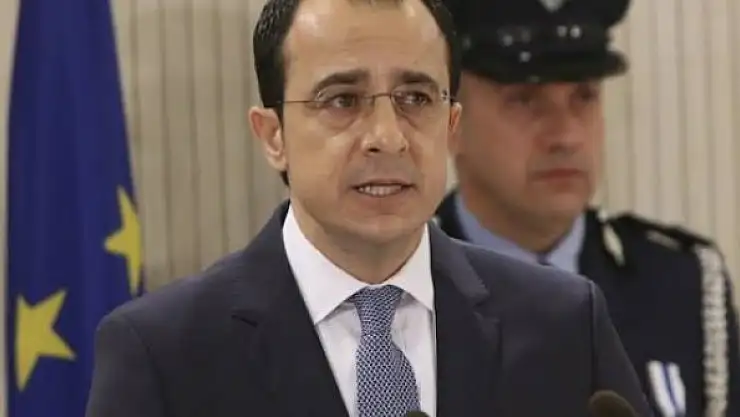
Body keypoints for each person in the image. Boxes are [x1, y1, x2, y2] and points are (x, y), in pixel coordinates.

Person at [84, 0, 651, 416]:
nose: (387, 137)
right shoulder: (164, 353)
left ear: (451, 125)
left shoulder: (564, 324)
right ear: (273, 135)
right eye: (342, 100)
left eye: (416, 99)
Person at [433, 0, 740, 416]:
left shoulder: (678, 284)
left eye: (584, 96)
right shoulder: (399, 282)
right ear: (451, 121)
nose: (566, 136)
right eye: (524, 100)